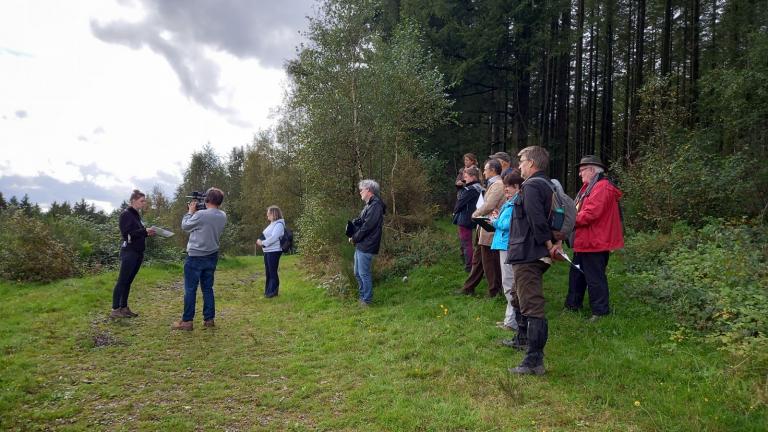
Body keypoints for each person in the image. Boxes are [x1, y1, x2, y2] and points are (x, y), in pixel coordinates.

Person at [506, 146, 563, 375]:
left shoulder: (531, 186)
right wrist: (557, 241)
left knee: (532, 305)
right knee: (518, 297)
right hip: (529, 251)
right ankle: (521, 339)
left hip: (529, 253)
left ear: (531, 163)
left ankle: (534, 361)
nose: (519, 166)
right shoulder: (548, 185)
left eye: (521, 161)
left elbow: (537, 219)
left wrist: (549, 245)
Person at [564, 156, 624, 320]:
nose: (579, 174)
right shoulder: (589, 187)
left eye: (582, 170)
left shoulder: (602, 187)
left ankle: (600, 312)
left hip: (595, 242)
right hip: (584, 241)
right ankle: (572, 306)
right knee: (576, 275)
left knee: (594, 278)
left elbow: (590, 214)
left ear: (592, 169)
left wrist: (567, 221)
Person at [172, 187, 227, 331]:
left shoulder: (201, 215)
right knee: (207, 288)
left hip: (196, 255)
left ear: (207, 199)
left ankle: (187, 321)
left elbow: (185, 226)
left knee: (190, 289)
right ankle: (209, 319)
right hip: (212, 255)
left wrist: (190, 212)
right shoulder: (223, 215)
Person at [457, 159, 505, 297]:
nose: (483, 171)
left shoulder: (498, 185)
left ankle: (494, 292)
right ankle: (468, 288)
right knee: (478, 262)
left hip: (489, 229)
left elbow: (489, 205)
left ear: (493, 170)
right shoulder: (494, 184)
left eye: (485, 169)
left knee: (489, 263)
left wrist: (475, 214)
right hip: (483, 229)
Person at [110, 190, 156, 318]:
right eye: (142, 201)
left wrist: (147, 233)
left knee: (128, 281)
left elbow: (137, 232)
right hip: (129, 252)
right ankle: (115, 309)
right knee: (122, 281)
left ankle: (124, 308)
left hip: (138, 252)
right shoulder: (126, 214)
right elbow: (127, 234)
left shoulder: (136, 215)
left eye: (144, 201)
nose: (144, 203)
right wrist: (144, 231)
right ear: (133, 201)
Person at [490, 172, 524, 331]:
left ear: (517, 187)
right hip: (504, 244)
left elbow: (507, 225)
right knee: (508, 283)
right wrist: (498, 217)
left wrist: (494, 221)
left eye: (508, 188)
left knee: (509, 284)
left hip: (508, 245)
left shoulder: (516, 203)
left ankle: (512, 322)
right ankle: (510, 320)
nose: (505, 191)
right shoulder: (511, 202)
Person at [349, 179, 386, 306]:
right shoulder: (369, 205)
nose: (360, 192)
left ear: (369, 190)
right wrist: (353, 226)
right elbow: (362, 222)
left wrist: (354, 238)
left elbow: (367, 227)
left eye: (361, 190)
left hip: (367, 245)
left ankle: (367, 300)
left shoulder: (376, 205)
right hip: (361, 244)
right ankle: (363, 296)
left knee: (364, 274)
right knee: (357, 273)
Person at [452, 166, 483, 272]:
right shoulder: (480, 187)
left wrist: (455, 211)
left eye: (466, 177)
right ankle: (476, 265)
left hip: (465, 217)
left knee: (466, 244)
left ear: (473, 177)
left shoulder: (470, 189)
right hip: (476, 216)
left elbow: (460, 202)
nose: (464, 179)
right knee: (476, 243)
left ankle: (469, 267)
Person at [256, 206, 285, 298]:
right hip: (268, 251)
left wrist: (263, 243)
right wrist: (260, 240)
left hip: (274, 251)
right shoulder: (272, 224)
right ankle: (268, 292)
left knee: (272, 272)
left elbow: (274, 237)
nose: (267, 214)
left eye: (269, 213)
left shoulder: (279, 224)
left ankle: (273, 292)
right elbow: (266, 235)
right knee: (268, 272)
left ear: (274, 214)